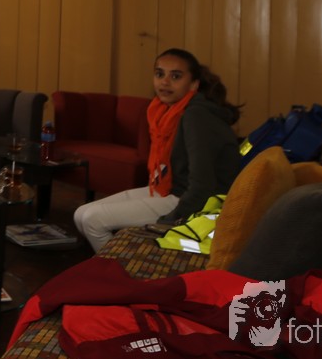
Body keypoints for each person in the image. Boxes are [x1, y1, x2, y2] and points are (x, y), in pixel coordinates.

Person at [73, 48, 241, 254]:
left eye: (176, 76)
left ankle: (124, 269)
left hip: (193, 200)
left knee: (92, 220)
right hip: (169, 189)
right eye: (160, 74)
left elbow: (203, 186)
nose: (165, 82)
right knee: (81, 214)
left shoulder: (197, 116)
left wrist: (169, 221)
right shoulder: (165, 111)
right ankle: (123, 262)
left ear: (194, 84)